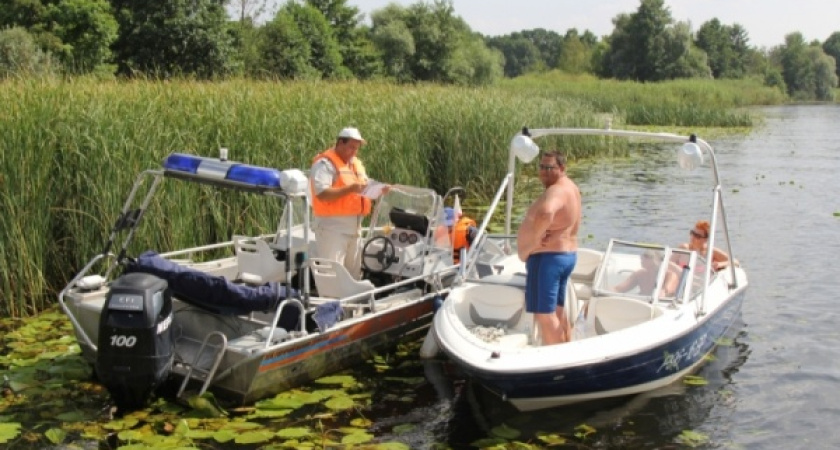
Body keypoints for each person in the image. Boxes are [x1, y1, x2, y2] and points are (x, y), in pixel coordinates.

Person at [516, 150, 581, 345]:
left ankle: (556, 360)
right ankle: (566, 348)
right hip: (565, 255)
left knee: (544, 314)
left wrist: (534, 241)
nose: (544, 171)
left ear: (562, 168)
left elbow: (546, 212)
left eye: (549, 167)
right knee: (558, 310)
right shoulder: (571, 187)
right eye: (541, 167)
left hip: (548, 259)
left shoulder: (557, 190)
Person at [310, 127, 386, 279]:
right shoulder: (325, 164)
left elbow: (364, 183)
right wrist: (350, 189)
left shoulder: (355, 164)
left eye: (356, 149)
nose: (354, 152)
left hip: (354, 229)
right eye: (351, 147)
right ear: (339, 143)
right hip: (332, 229)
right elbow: (322, 194)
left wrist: (379, 188)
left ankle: (352, 302)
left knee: (353, 275)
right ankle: (330, 302)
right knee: (332, 275)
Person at [613, 249, 678, 297]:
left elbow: (664, 294)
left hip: (661, 305)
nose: (641, 260)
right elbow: (619, 289)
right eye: (644, 257)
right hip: (641, 302)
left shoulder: (670, 276)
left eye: (647, 257)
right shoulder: (640, 274)